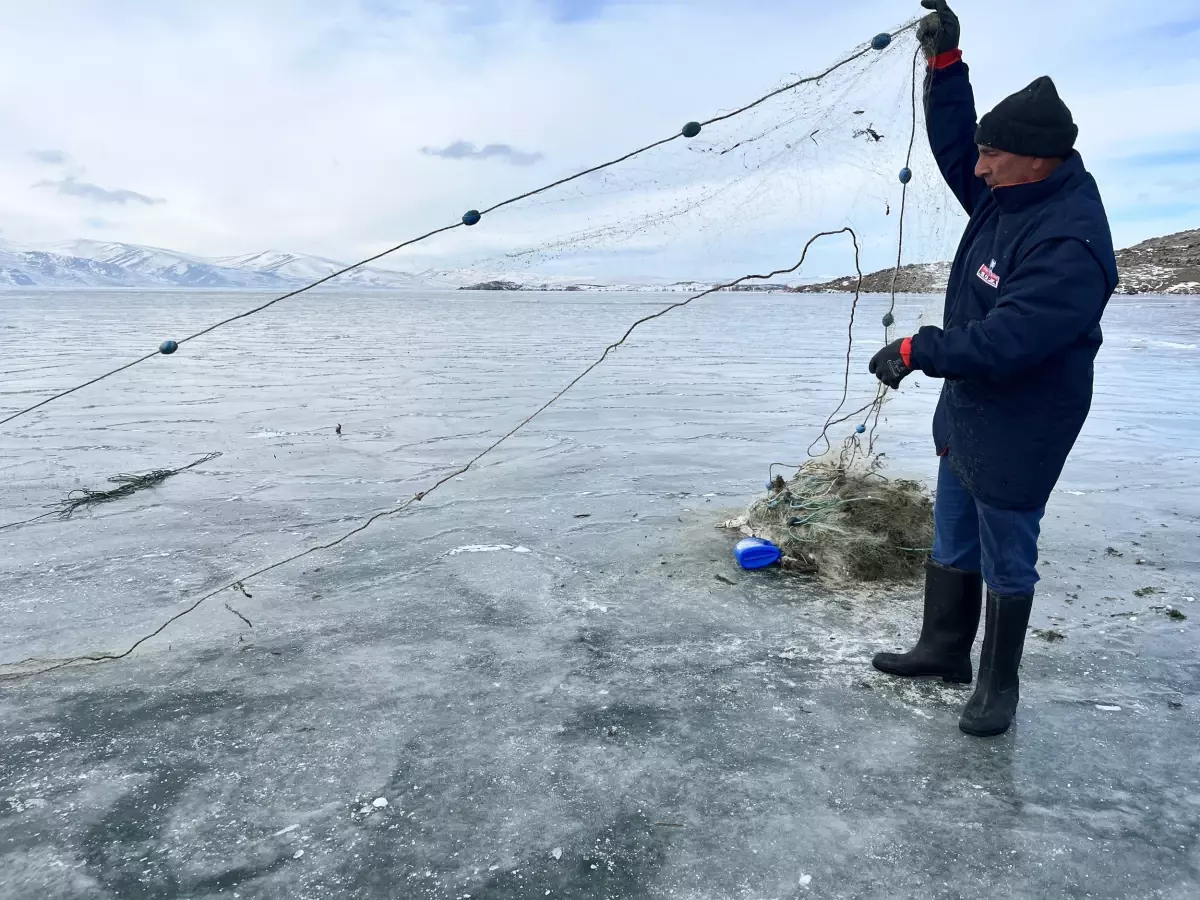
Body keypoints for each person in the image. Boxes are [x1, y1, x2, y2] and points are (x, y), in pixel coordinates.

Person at [867, 0, 1118, 737]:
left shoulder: (1069, 240)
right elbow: (955, 147)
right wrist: (946, 66)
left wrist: (921, 350)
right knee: (953, 528)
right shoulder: (1009, 191)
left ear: (1035, 157)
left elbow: (1012, 341)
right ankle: (945, 649)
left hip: (1026, 418)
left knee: (1008, 544)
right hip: (971, 408)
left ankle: (998, 684)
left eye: (993, 157)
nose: (976, 169)